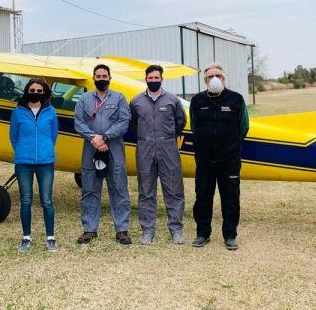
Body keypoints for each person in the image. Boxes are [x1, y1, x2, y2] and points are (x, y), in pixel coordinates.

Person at [190, 63, 249, 250]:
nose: (214, 79)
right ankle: (202, 234)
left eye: (218, 76)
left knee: (231, 198)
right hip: (205, 159)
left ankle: (230, 235)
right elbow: (194, 126)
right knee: (202, 197)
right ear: (205, 80)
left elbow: (244, 127)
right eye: (210, 76)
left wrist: (230, 146)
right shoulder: (197, 100)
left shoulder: (236, 99)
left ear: (224, 78)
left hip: (229, 160)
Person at [74, 64, 133, 245]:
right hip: (91, 149)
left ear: (110, 78)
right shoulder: (84, 99)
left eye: (104, 76)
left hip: (114, 149)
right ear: (93, 78)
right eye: (98, 76)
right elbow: (79, 122)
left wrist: (105, 137)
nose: (101, 79)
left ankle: (122, 230)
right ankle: (89, 229)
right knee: (89, 189)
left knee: (119, 189)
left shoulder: (119, 98)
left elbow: (124, 121)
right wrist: (95, 140)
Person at [130, 64, 187, 245]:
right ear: (145, 79)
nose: (153, 81)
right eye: (150, 78)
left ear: (162, 79)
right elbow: (133, 123)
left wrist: (167, 137)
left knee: (174, 190)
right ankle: (147, 230)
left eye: (157, 78)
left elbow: (181, 121)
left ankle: (176, 229)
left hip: (168, 148)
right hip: (145, 148)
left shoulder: (172, 100)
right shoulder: (137, 101)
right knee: (146, 191)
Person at [9, 78, 59, 252]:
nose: (35, 93)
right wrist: (23, 151)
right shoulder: (18, 112)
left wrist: (44, 150)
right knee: (26, 200)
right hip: (24, 162)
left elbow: (53, 135)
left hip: (46, 162)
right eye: (32, 90)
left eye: (39, 90)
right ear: (27, 91)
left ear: (44, 92)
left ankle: (50, 237)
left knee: (46, 201)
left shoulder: (51, 111)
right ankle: (26, 237)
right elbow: (13, 137)